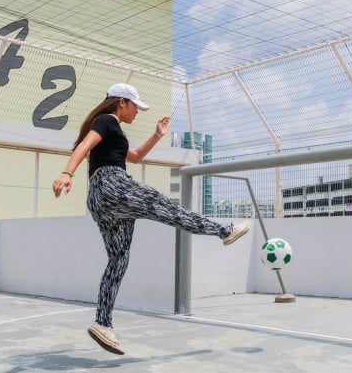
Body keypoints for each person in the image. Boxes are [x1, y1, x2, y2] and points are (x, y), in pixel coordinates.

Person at [52, 83, 251, 355]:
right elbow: (85, 144)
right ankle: (224, 231)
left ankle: (103, 324)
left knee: (118, 260)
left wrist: (157, 135)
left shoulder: (114, 130)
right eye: (136, 106)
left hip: (100, 199)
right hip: (113, 186)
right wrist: (67, 173)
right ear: (122, 102)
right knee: (169, 208)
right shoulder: (107, 120)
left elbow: (134, 157)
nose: (137, 112)